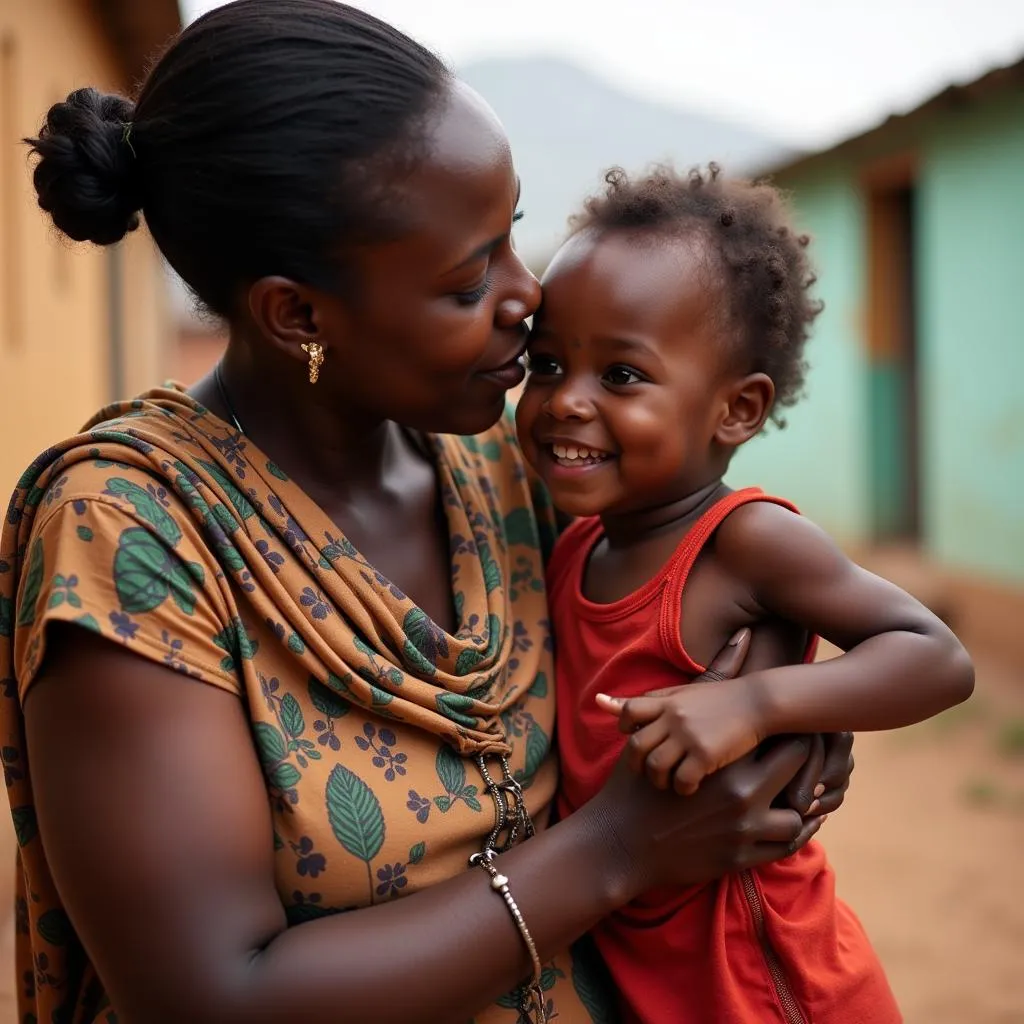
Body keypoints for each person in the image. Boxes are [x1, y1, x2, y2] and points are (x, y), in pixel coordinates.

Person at [0, 4, 856, 1022]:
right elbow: (210, 995)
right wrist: (621, 846)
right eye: (468, 279)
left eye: (511, 236)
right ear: (299, 315)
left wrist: (777, 708)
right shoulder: (133, 536)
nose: (527, 295)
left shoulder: (508, 469)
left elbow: (711, 591)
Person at [515, 164, 975, 1024]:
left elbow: (935, 657)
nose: (565, 402)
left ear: (736, 409)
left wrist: (759, 704)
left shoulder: (742, 542)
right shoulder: (574, 543)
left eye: (621, 376)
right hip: (642, 968)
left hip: (769, 984)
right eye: (545, 365)